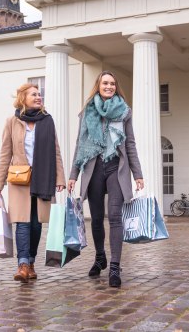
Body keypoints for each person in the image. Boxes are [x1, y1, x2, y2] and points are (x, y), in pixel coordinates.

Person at [67, 71, 144, 288]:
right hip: (93, 168)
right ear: (98, 86)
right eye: (105, 83)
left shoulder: (125, 112)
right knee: (97, 217)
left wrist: (137, 174)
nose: (109, 86)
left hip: (116, 168)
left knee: (115, 216)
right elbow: (79, 145)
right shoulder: (87, 112)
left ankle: (115, 266)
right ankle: (100, 257)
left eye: (112, 83)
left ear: (115, 86)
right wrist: (73, 175)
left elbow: (130, 145)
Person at [0, 83, 66, 282]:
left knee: (36, 224)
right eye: (33, 94)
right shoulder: (12, 122)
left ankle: (31, 261)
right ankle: (23, 264)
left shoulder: (47, 121)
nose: (38, 97)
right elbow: (5, 154)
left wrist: (60, 178)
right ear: (23, 98)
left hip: (43, 178)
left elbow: (56, 152)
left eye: (39, 94)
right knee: (23, 223)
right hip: (19, 179)